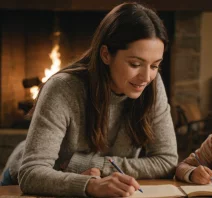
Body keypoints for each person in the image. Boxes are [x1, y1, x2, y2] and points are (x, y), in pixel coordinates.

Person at [0, 2, 178, 197]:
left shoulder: (152, 85)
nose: (146, 77)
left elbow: (166, 161)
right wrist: (91, 184)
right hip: (21, 186)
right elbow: (32, 174)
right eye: (135, 64)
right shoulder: (63, 88)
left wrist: (94, 168)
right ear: (105, 54)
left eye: (155, 66)